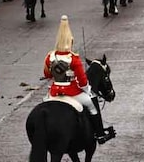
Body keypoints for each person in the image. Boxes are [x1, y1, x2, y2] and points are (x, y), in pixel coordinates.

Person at [43, 15, 115, 144]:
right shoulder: (74, 58)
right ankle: (100, 135)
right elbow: (82, 81)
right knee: (92, 106)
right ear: (70, 42)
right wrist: (87, 89)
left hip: (54, 92)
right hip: (72, 92)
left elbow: (47, 75)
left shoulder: (50, 56)